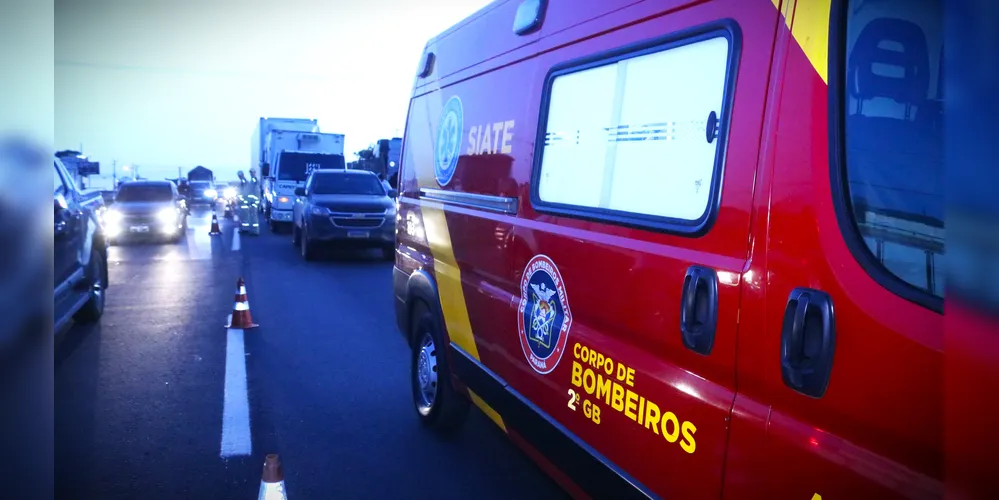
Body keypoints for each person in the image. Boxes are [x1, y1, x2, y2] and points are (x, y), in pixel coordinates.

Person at [236, 169, 260, 235]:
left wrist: (254, 201)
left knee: (253, 216)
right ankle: (245, 229)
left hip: (253, 202)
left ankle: (255, 231)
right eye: (250, 173)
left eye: (252, 173)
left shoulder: (254, 181)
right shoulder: (248, 182)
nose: (251, 174)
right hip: (247, 201)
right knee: (245, 216)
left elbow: (255, 192)